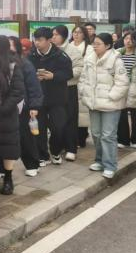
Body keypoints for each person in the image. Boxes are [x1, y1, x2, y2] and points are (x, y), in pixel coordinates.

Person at [79, 33, 129, 179]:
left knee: (108, 135)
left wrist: (111, 97)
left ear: (107, 45)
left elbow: (123, 83)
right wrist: (83, 91)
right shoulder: (89, 58)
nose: (94, 46)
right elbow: (83, 78)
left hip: (110, 105)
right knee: (96, 133)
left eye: (98, 44)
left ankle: (110, 165)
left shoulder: (116, 60)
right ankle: (99, 161)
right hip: (93, 103)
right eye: (94, 43)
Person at [27, 27, 73, 166]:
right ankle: (42, 155)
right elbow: (25, 74)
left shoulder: (60, 55)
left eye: (40, 40)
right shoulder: (31, 55)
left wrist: (53, 76)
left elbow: (69, 74)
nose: (37, 43)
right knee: (39, 129)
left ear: (49, 40)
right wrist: (34, 77)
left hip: (57, 98)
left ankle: (55, 151)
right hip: (38, 98)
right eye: (35, 39)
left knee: (58, 127)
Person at [0, 35, 25, 195]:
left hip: (7, 115)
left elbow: (18, 91)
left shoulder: (13, 66)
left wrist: (2, 108)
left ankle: (8, 178)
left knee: (8, 147)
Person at [10, 36, 43, 177]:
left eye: (11, 45)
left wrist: (34, 106)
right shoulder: (0, 63)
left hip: (23, 107)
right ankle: (0, 168)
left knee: (26, 137)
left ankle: (32, 164)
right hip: (7, 107)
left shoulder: (25, 64)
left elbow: (34, 87)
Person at [52, 25, 84, 161]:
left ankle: (71, 148)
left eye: (56, 35)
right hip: (53, 89)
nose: (53, 37)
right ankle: (57, 147)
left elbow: (79, 68)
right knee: (56, 120)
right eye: (52, 34)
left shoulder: (72, 50)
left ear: (64, 36)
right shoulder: (50, 49)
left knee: (70, 118)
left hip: (69, 87)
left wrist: (62, 76)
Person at [117, 31, 136, 149]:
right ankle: (123, 139)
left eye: (131, 39)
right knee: (121, 114)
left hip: (134, 88)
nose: (128, 41)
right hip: (120, 87)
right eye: (126, 38)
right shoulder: (117, 54)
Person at [70, 25, 93, 147]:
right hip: (70, 81)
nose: (76, 34)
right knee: (71, 112)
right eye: (75, 32)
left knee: (83, 112)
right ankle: (71, 138)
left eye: (79, 32)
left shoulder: (89, 48)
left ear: (84, 34)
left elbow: (88, 65)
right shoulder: (69, 46)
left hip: (83, 82)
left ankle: (81, 138)